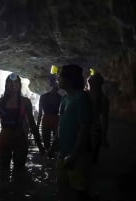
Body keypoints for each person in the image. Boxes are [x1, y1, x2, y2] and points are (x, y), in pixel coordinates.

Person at [0, 73, 45, 185]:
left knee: (19, 170)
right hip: (4, 139)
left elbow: (32, 123)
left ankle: (17, 193)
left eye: (16, 83)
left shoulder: (25, 102)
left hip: (20, 139)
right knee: (3, 170)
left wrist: (40, 145)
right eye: (10, 83)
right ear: (7, 85)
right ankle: (3, 193)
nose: (13, 85)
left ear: (19, 85)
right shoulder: (1, 101)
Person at [55, 64, 92, 201]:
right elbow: (62, 124)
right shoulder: (65, 98)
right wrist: (55, 144)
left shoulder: (81, 98)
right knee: (62, 186)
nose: (58, 78)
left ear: (69, 79)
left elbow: (84, 128)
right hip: (62, 152)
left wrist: (74, 154)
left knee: (80, 190)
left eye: (61, 76)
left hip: (76, 154)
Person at [86, 72, 109, 163]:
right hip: (84, 127)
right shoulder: (85, 94)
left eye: (91, 78)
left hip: (94, 129)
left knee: (92, 156)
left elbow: (104, 118)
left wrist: (104, 137)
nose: (89, 79)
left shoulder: (103, 99)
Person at [37, 75, 62, 155]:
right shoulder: (60, 98)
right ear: (52, 84)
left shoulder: (44, 97)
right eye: (56, 82)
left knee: (54, 144)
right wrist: (37, 127)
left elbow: (40, 113)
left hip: (50, 120)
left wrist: (37, 126)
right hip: (52, 120)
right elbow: (40, 113)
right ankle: (49, 162)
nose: (58, 84)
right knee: (48, 144)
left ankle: (50, 162)